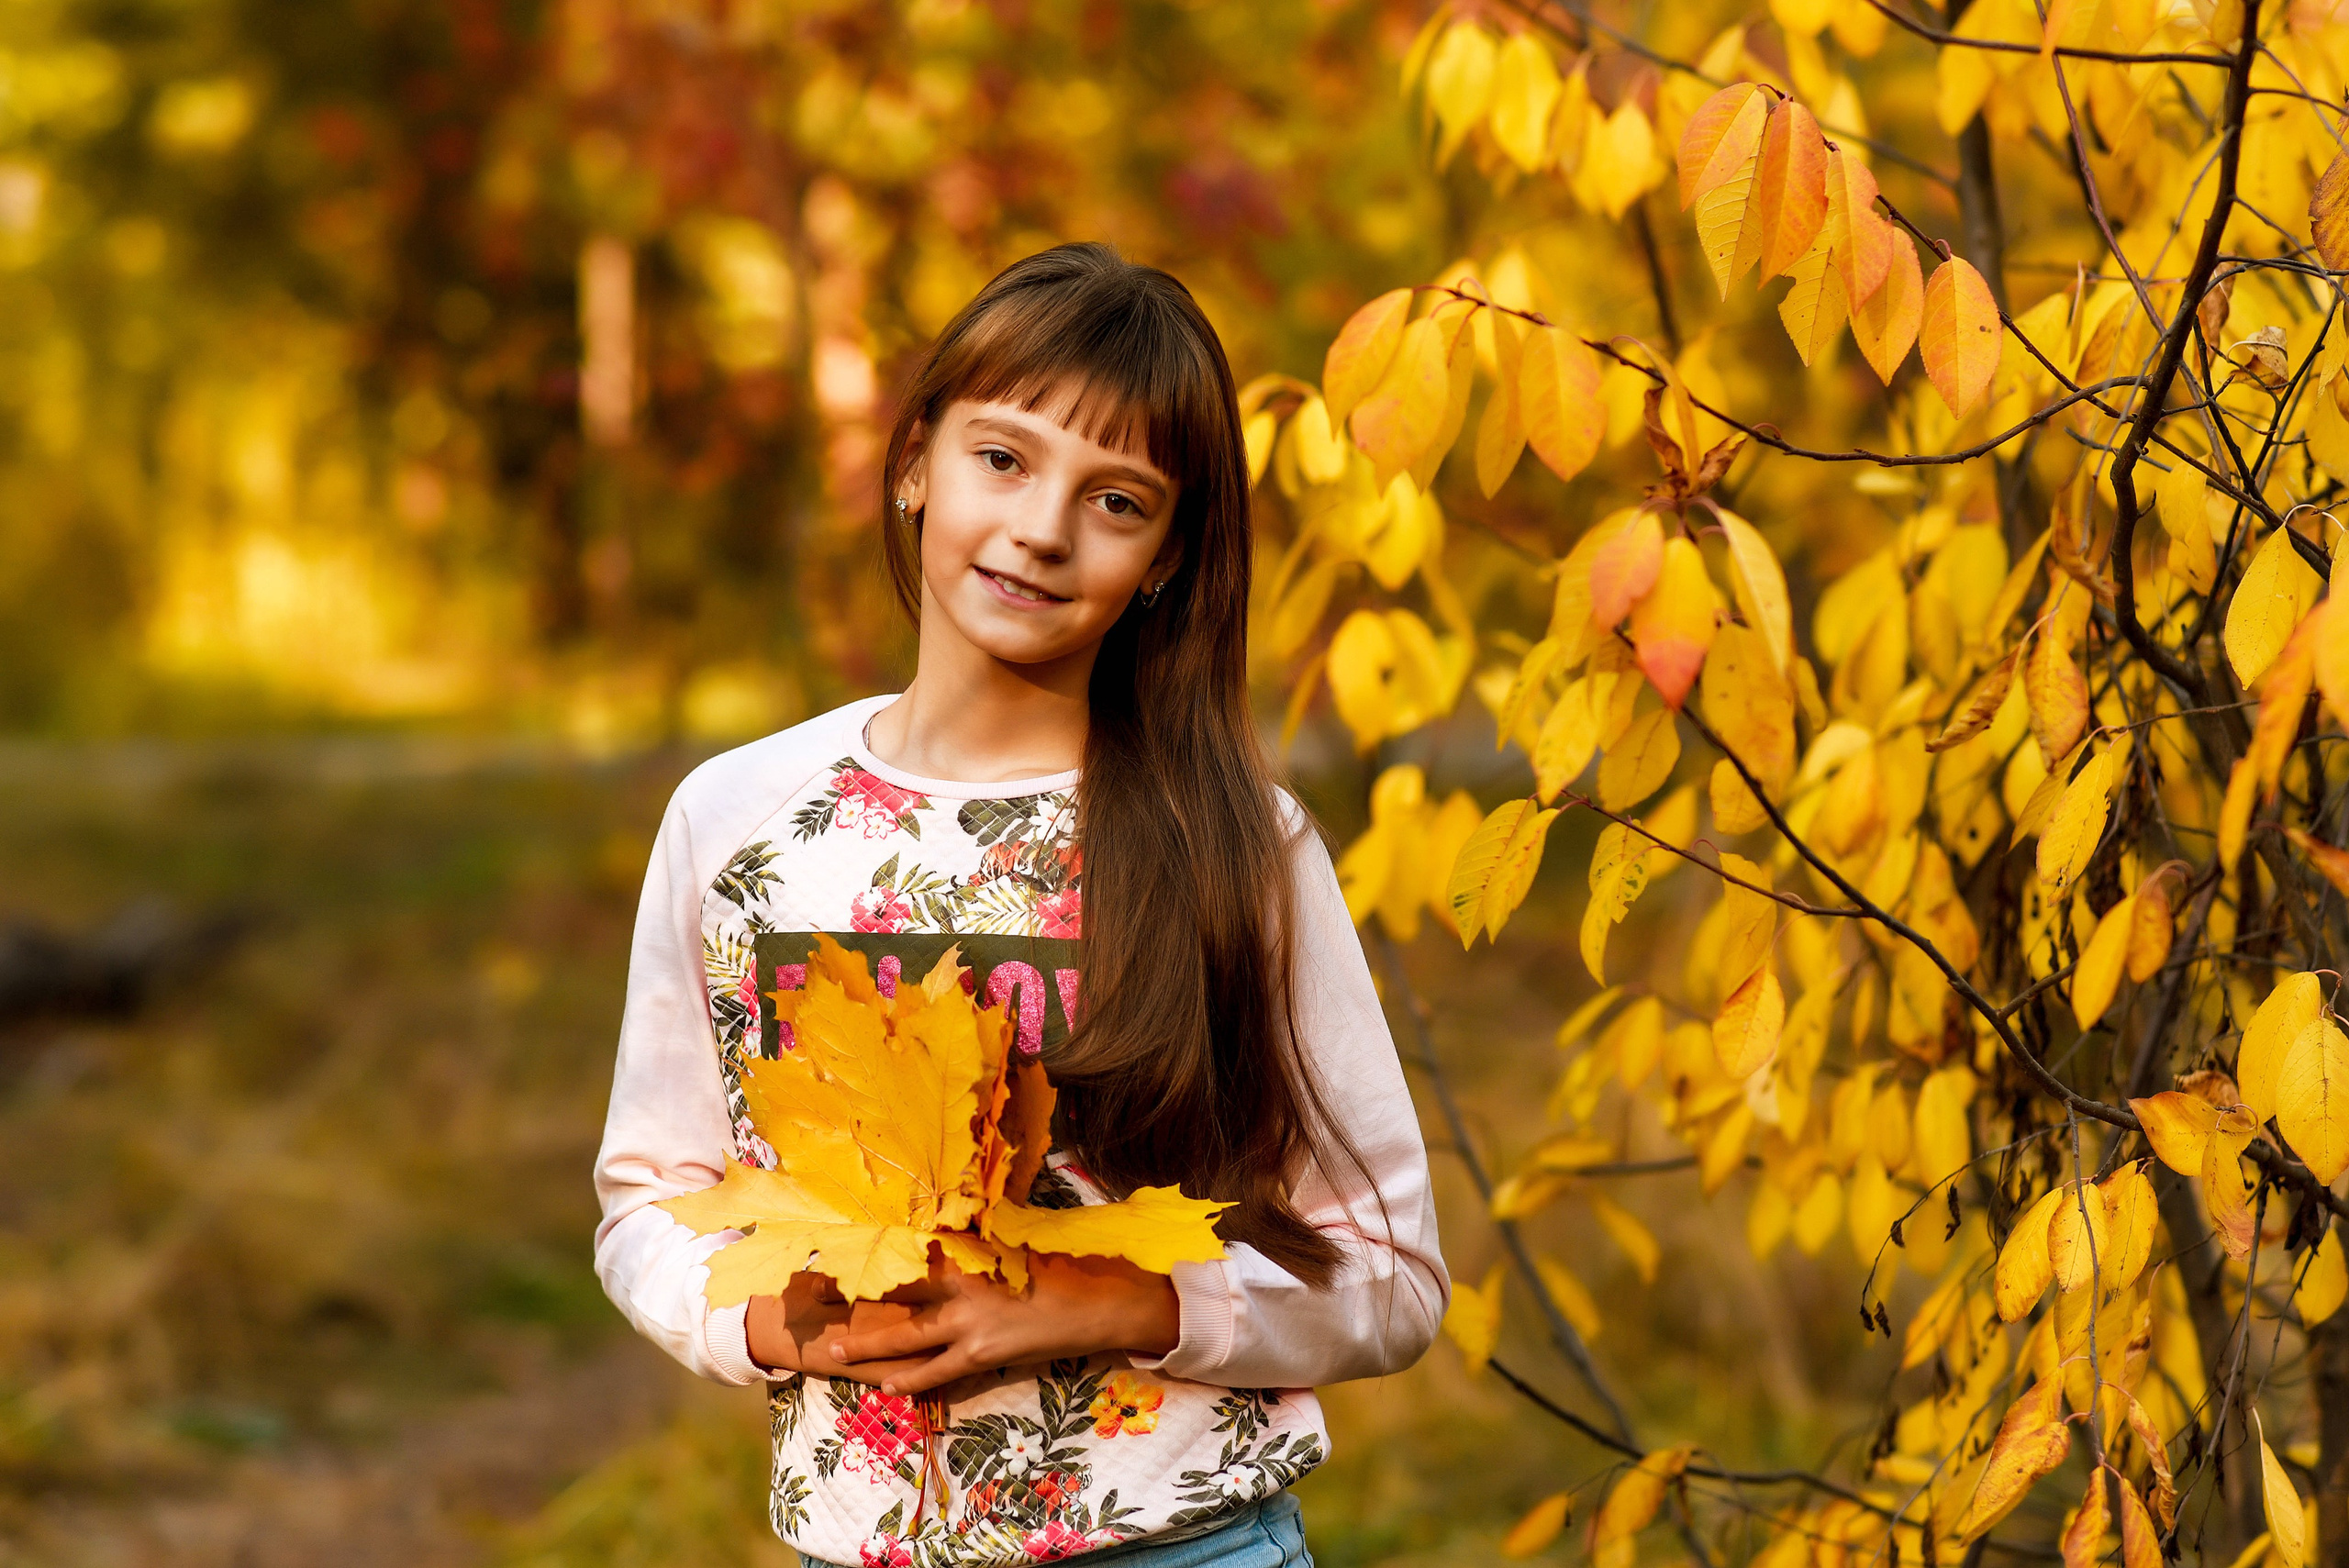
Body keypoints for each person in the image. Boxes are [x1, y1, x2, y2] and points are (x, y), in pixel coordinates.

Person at [593, 241, 1446, 1568]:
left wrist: (1101, 1299)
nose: (1044, 527)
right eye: (1004, 459)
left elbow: (1390, 1273)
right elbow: (650, 1196)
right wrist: (769, 1320)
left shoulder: (1236, 846)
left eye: (1117, 500)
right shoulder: (739, 818)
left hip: (1189, 1544)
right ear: (914, 461)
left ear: (1167, 557)